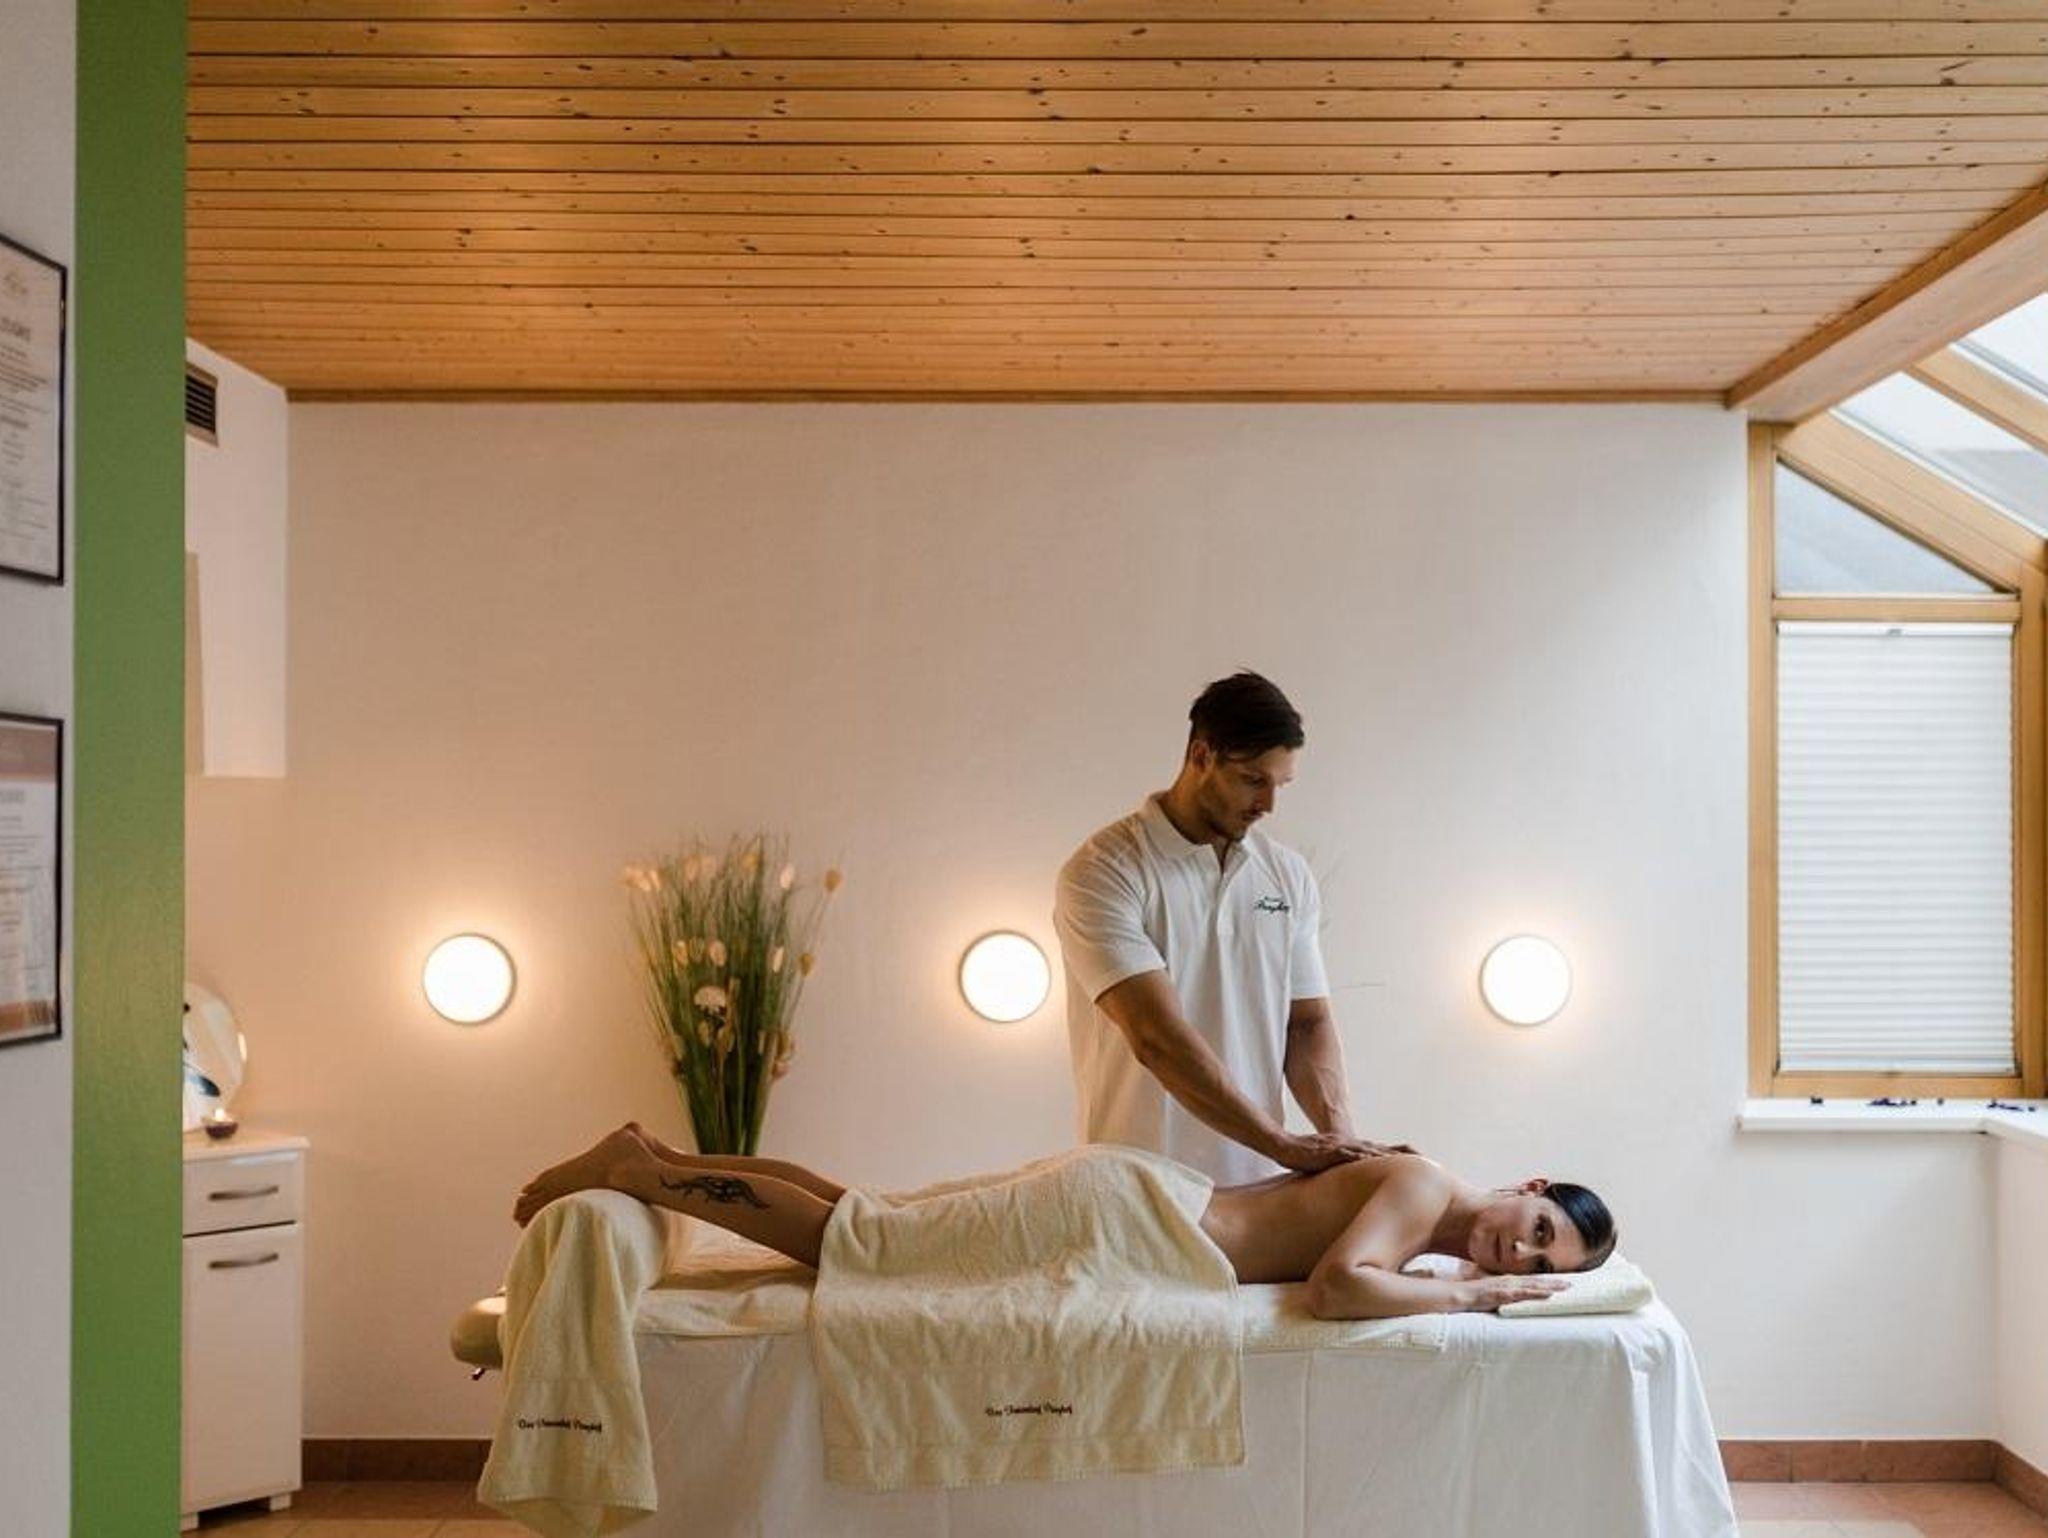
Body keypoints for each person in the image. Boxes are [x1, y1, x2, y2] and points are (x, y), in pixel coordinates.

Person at [512, 1124, 1617, 1320]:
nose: (1515, 1249)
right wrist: (1471, 1298)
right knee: (868, 1245)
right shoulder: (1426, 1189)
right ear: (1527, 1182)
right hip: (1132, 1221)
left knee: (867, 1212)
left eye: (1539, 1258)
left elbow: (1350, 1269)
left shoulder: (1424, 1201)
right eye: (1535, 1226)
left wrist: (1447, 1281)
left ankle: (661, 1159)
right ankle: (640, 1174)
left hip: (1134, 1203)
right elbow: (1335, 1288)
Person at [1055, 671, 1387, 1185]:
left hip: (1261, 1186)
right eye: (1253, 780)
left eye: (1280, 785)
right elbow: (1155, 1037)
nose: (1268, 805)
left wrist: (1340, 1140)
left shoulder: (1287, 874)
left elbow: (1306, 1025)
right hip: (1135, 1187)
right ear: (1201, 756)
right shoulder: (1105, 870)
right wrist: (1283, 1144)